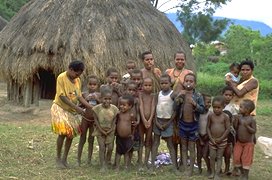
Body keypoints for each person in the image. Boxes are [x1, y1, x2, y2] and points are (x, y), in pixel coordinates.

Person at [51, 60, 91, 168]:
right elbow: (62, 96)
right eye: (76, 73)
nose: (77, 76)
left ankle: (64, 159)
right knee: (63, 132)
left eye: (79, 75)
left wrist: (89, 106)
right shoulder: (61, 77)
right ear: (70, 69)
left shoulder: (77, 80)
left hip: (72, 110)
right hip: (60, 108)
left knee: (71, 135)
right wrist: (77, 108)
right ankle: (58, 158)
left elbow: (79, 96)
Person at [165, 51, 193, 166]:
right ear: (174, 59)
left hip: (183, 109)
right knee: (172, 135)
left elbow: (192, 88)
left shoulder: (188, 73)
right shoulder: (168, 72)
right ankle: (174, 160)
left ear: (185, 60)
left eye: (182, 59)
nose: (180, 61)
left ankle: (183, 160)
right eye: (177, 59)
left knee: (182, 135)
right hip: (170, 107)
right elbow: (164, 85)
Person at [174, 73, 205, 176]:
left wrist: (195, 104)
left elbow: (202, 109)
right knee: (183, 147)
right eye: (186, 81)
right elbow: (175, 108)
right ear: (184, 82)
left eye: (191, 81)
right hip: (182, 124)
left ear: (195, 84)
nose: (188, 83)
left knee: (192, 147)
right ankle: (185, 167)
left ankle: (191, 169)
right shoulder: (181, 94)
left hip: (193, 125)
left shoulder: (198, 96)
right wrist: (178, 98)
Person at [151, 74, 179, 174]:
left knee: (170, 144)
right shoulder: (158, 94)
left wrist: (169, 123)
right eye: (162, 83)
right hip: (158, 121)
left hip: (168, 122)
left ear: (170, 83)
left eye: (166, 83)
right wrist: (156, 122)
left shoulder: (173, 94)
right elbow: (154, 109)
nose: (164, 85)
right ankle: (152, 166)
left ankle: (175, 167)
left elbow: (175, 111)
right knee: (155, 143)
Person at [92, 87, 119, 172]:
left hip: (110, 131)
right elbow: (96, 121)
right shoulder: (97, 108)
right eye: (105, 99)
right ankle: (102, 165)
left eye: (109, 99)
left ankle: (107, 160)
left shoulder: (114, 109)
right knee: (102, 147)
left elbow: (114, 120)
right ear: (100, 99)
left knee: (110, 148)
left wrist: (111, 130)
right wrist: (101, 130)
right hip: (100, 131)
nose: (107, 101)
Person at [77, 75, 100, 166]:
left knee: (91, 139)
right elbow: (79, 106)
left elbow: (102, 106)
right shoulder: (84, 94)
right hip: (85, 119)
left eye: (94, 84)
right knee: (82, 138)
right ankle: (78, 159)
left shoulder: (99, 95)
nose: (92, 86)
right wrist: (85, 100)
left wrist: (97, 99)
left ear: (97, 85)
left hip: (94, 120)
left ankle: (89, 160)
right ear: (87, 85)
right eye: (90, 84)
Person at [207, 96, 230, 180]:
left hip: (222, 141)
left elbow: (228, 129)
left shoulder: (225, 117)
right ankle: (212, 172)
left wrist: (220, 139)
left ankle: (217, 173)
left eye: (218, 107)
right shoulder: (211, 116)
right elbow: (208, 128)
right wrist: (211, 138)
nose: (216, 109)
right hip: (212, 140)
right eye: (214, 107)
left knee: (219, 157)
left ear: (223, 107)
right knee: (212, 157)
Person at [232, 99, 256, 180]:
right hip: (239, 142)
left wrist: (247, 126)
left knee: (246, 159)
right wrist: (235, 120)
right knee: (236, 157)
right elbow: (235, 128)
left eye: (241, 107)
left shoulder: (251, 119)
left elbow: (254, 131)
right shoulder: (240, 117)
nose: (239, 109)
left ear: (247, 110)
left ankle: (245, 175)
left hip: (248, 143)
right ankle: (241, 171)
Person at [138, 77, 156, 169]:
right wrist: (144, 119)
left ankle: (146, 162)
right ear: (142, 86)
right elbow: (141, 106)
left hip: (150, 122)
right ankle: (140, 162)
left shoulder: (153, 96)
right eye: (146, 85)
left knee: (148, 141)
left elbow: (153, 107)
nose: (147, 87)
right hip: (141, 121)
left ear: (152, 86)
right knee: (141, 141)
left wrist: (149, 120)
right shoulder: (140, 95)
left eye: (149, 85)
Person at [115, 94, 135, 171]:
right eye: (120, 105)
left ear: (130, 106)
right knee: (118, 152)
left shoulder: (131, 115)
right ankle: (117, 166)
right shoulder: (118, 114)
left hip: (128, 137)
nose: (122, 107)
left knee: (127, 152)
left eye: (124, 105)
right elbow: (116, 123)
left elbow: (133, 126)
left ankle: (126, 166)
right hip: (119, 136)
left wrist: (132, 134)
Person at [222, 86, 237, 175]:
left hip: (229, 133)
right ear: (222, 94)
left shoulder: (233, 107)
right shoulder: (218, 105)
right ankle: (218, 168)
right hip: (219, 131)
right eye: (226, 94)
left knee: (227, 152)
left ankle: (227, 168)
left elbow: (234, 120)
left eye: (230, 95)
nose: (227, 97)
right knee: (219, 152)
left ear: (232, 96)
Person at [196, 93, 212, 175]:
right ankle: (199, 168)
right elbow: (195, 127)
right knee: (199, 154)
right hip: (199, 137)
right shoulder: (197, 114)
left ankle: (209, 169)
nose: (209, 104)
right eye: (207, 102)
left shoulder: (211, 114)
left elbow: (211, 128)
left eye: (210, 102)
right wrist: (200, 138)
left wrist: (207, 137)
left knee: (205, 154)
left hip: (207, 138)